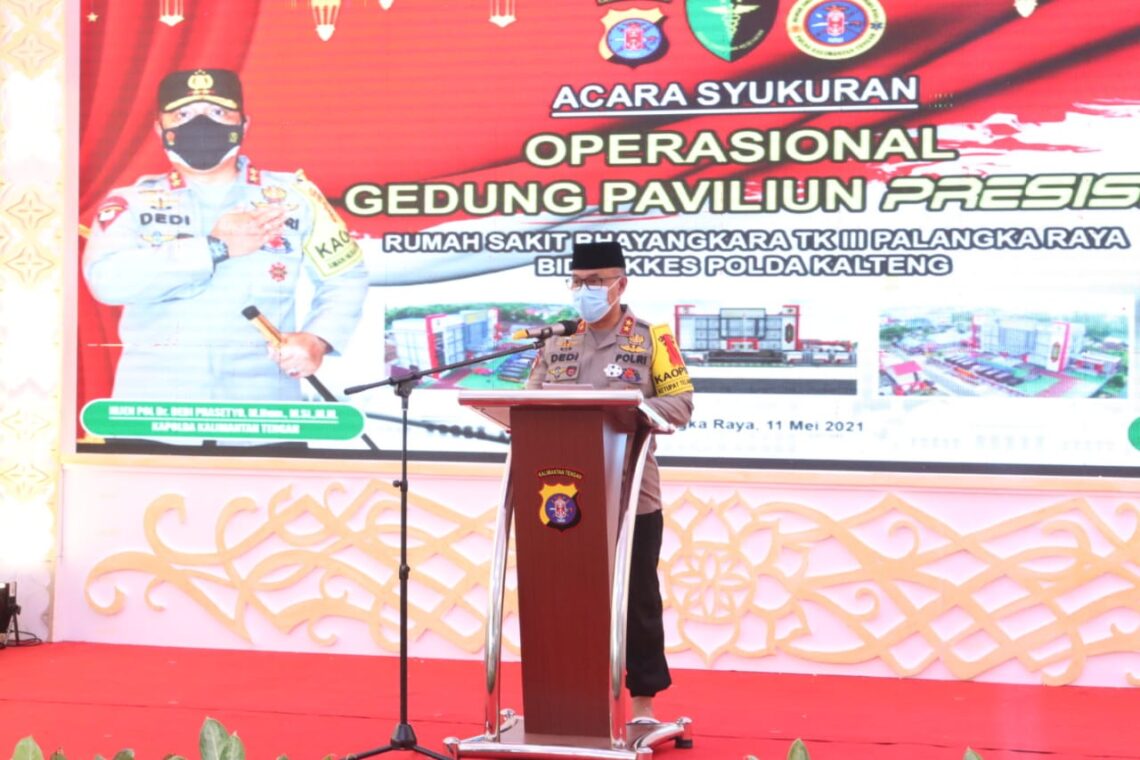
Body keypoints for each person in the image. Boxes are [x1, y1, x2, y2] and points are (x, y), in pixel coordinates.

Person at [84, 68, 368, 403]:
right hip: (156, 402)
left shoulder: (294, 196)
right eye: (182, 115)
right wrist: (213, 248)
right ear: (160, 129)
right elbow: (107, 281)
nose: (200, 124)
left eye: (218, 112)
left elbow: (346, 277)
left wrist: (318, 339)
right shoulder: (130, 202)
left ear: (243, 125)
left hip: (262, 402)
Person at [525, 240, 694, 722]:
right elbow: (529, 402)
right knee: (564, 598)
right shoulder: (557, 340)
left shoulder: (652, 338)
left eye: (596, 281)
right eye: (578, 282)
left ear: (621, 284)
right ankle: (567, 697)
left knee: (637, 600)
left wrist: (624, 410)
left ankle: (642, 704)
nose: (586, 290)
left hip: (631, 494)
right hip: (563, 497)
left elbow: (681, 404)